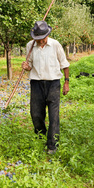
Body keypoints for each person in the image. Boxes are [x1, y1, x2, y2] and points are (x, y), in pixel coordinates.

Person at [22, 21, 70, 154]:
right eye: (37, 38)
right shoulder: (30, 46)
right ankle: (40, 136)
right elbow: (30, 65)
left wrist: (66, 82)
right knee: (36, 114)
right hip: (36, 83)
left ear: (47, 35)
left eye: (42, 38)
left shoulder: (55, 45)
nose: (40, 41)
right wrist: (27, 67)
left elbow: (65, 64)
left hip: (53, 83)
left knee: (54, 115)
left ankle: (52, 145)